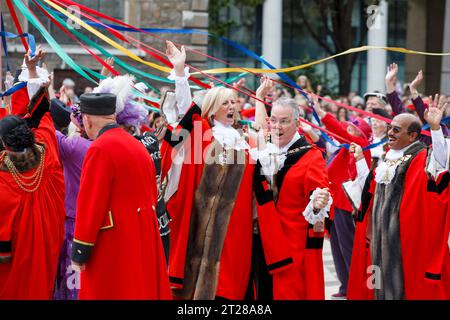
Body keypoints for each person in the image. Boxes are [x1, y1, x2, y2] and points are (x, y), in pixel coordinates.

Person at [160, 41, 254, 300]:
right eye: (225, 104)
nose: (232, 107)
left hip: (237, 228)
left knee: (233, 288)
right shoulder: (204, 135)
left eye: (233, 103)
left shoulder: (245, 141)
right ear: (212, 109)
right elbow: (185, 116)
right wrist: (180, 72)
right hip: (204, 227)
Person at [347, 95, 449, 299]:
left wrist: (436, 130)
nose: (390, 133)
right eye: (390, 127)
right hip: (377, 244)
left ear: (412, 136)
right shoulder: (387, 158)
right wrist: (359, 160)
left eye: (396, 130)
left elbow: (440, 164)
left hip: (403, 246)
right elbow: (369, 191)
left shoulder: (422, 158)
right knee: (375, 286)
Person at [70, 92, 171, 300]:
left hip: (114, 243)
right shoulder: (137, 145)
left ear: (87, 120)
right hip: (143, 237)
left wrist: (80, 250)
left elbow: (91, 204)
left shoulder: (100, 148)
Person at [250, 79, 332, 300]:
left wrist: (317, 202)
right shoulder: (266, 146)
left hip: (291, 243)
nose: (277, 126)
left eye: (284, 121)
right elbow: (259, 127)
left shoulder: (311, 155)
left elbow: (320, 192)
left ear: (297, 123)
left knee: (288, 293)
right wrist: (259, 94)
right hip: (261, 238)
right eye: (274, 121)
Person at [0, 47, 66, 299]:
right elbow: (41, 115)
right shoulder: (47, 152)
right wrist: (31, 72)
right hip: (45, 251)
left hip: (13, 264)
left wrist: (29, 72)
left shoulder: (3, 178)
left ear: (5, 144)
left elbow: (33, 115)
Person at [312, 98, 372, 299]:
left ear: (361, 135)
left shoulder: (361, 145)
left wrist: (322, 114)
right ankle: (345, 285)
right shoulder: (344, 148)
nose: (349, 132)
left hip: (347, 204)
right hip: (336, 202)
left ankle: (354, 286)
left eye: (354, 130)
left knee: (347, 247)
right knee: (336, 247)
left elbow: (340, 133)